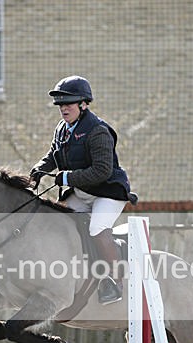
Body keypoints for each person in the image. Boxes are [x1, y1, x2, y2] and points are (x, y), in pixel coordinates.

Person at [30, 75, 137, 305]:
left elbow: (101, 171)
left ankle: (115, 281)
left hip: (107, 192)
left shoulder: (98, 131)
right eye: (60, 104)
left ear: (83, 104)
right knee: (58, 223)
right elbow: (53, 156)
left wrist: (67, 177)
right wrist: (40, 168)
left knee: (97, 228)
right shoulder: (61, 129)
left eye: (68, 103)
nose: (63, 108)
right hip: (81, 192)